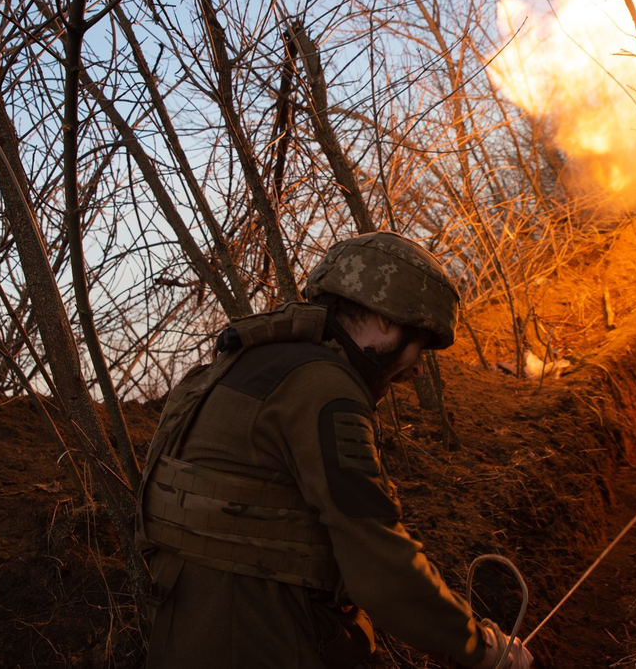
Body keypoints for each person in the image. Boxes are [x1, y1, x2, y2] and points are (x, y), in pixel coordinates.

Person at [137, 232, 533, 669]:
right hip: (260, 643)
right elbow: (380, 564)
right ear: (385, 321)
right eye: (421, 344)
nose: (419, 367)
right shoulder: (323, 388)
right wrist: (484, 649)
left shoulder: (253, 363)